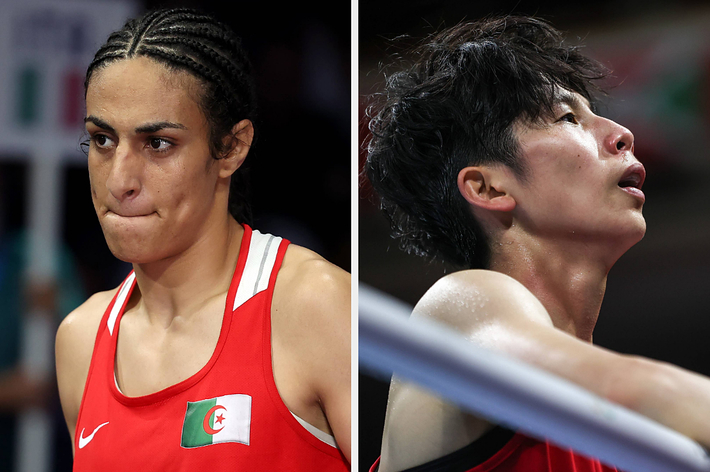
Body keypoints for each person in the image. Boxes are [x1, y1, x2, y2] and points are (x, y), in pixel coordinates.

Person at [364, 15, 710, 472]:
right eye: (568, 117)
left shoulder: (623, 440)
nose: (622, 133)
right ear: (488, 189)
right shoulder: (462, 302)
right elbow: (642, 389)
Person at [55, 8, 350, 471]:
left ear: (231, 147)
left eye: (158, 144)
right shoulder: (81, 338)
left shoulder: (317, 306)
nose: (120, 181)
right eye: (103, 140)